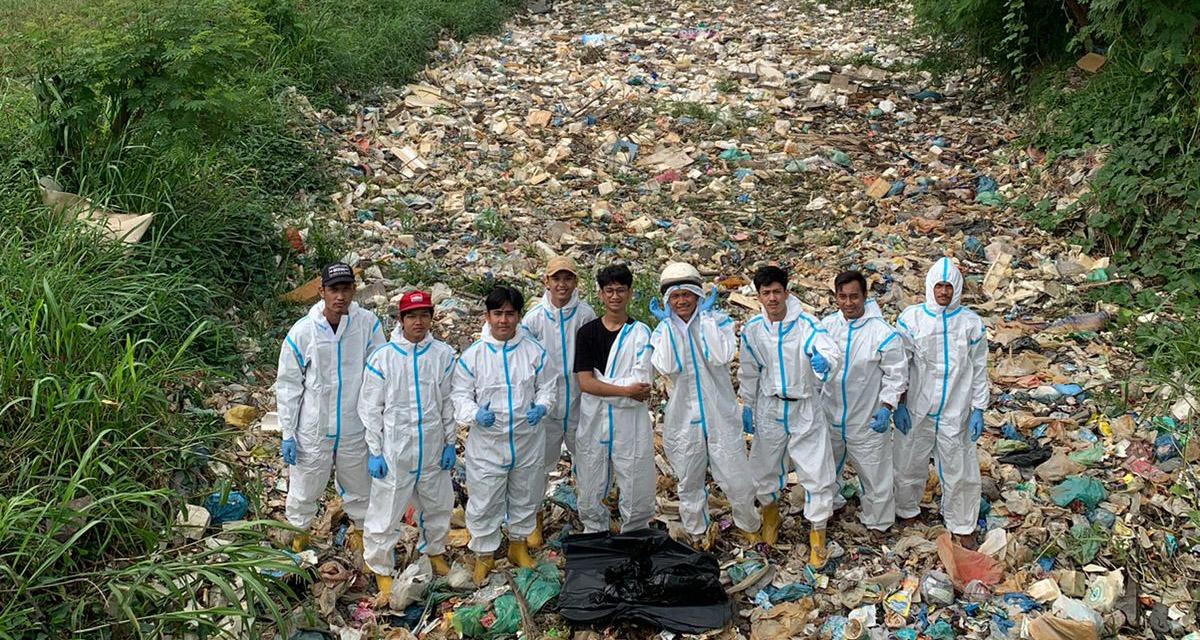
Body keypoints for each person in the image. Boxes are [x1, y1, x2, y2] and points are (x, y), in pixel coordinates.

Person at [648, 262, 761, 549]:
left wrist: (707, 320)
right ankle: (697, 533)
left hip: (719, 412)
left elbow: (719, 356)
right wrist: (672, 329)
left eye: (687, 294)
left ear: (699, 295)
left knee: (737, 478)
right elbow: (667, 366)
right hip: (684, 417)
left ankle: (749, 525)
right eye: (675, 296)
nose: (681, 301)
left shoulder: (718, 322)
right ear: (666, 301)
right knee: (689, 480)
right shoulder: (662, 332)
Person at [275, 262, 386, 553]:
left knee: (361, 487)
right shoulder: (303, 332)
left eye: (346, 288)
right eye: (334, 289)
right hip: (314, 428)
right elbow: (288, 385)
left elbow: (380, 376)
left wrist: (380, 428)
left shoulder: (368, 326)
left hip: (354, 426)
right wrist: (288, 432)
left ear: (354, 290)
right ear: (321, 292)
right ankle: (299, 539)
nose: (341, 296)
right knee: (304, 488)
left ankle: (362, 539)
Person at [738, 265, 841, 568]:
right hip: (770, 407)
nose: (772, 298)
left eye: (777, 291)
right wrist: (747, 404)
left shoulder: (807, 325)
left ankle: (818, 536)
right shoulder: (753, 330)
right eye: (766, 292)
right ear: (758, 295)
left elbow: (827, 349)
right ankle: (770, 517)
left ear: (787, 292)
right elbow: (749, 369)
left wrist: (824, 362)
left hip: (804, 408)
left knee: (816, 471)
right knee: (763, 467)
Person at [452, 285, 555, 584]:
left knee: (526, 493)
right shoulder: (473, 356)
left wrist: (542, 407)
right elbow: (459, 395)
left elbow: (548, 386)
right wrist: (474, 414)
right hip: (488, 443)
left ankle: (518, 546)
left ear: (519, 317)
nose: (503, 320)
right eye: (497, 313)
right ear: (486, 316)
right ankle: (484, 553)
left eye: (510, 314)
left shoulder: (534, 351)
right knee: (484, 499)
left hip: (527, 438)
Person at [359, 291, 458, 596]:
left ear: (431, 318)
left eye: (424, 315)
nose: (419, 322)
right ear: (400, 320)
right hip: (395, 450)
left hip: (431, 446)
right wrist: (375, 450)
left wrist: (449, 442)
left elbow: (447, 403)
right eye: (412, 316)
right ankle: (380, 568)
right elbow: (370, 408)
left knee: (438, 504)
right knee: (385, 512)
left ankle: (435, 552)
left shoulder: (442, 355)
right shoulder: (384, 358)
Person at [892, 257, 989, 547]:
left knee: (960, 468)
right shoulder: (911, 319)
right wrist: (897, 402)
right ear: (929, 286)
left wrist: (979, 408)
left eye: (949, 286)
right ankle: (906, 511)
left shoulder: (970, 324)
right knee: (908, 462)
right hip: (917, 407)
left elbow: (979, 368)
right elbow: (899, 364)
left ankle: (961, 525)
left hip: (955, 409)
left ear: (957, 288)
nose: (944, 292)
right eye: (939, 286)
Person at [819, 270, 908, 534]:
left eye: (854, 297)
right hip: (830, 414)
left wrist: (886, 407)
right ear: (835, 297)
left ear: (864, 297)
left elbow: (897, 375)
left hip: (866, 418)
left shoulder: (882, 333)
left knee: (875, 476)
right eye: (842, 297)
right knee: (824, 468)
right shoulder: (826, 327)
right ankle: (830, 507)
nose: (848, 303)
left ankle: (878, 523)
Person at [573, 264, 656, 534]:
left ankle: (635, 533)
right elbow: (584, 383)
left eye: (621, 290)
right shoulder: (587, 333)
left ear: (630, 293)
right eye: (609, 290)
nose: (615, 296)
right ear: (600, 294)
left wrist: (602, 384)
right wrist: (624, 391)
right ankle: (594, 532)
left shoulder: (640, 333)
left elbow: (642, 384)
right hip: (594, 420)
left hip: (629, 423)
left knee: (636, 480)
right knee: (590, 479)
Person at [520, 255, 596, 547]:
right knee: (539, 464)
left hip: (580, 401)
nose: (561, 284)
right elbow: (525, 362)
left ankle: (592, 518)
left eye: (567, 278)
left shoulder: (585, 315)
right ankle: (533, 520)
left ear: (576, 282)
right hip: (548, 404)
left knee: (589, 461)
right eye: (556, 279)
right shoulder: (535, 318)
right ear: (546, 282)